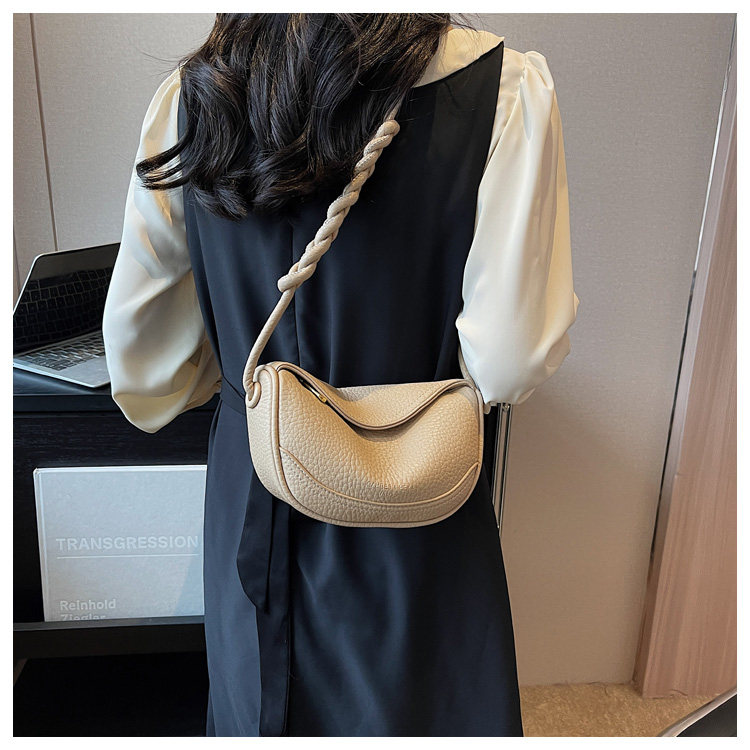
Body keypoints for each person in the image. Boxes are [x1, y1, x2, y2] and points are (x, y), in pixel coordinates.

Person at [102, 13, 579, 737]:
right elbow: (509, 362)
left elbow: (146, 375)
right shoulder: (502, 88)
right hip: (418, 486)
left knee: (257, 702)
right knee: (421, 707)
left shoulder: (190, 96)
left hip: (255, 482)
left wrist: (244, 375)